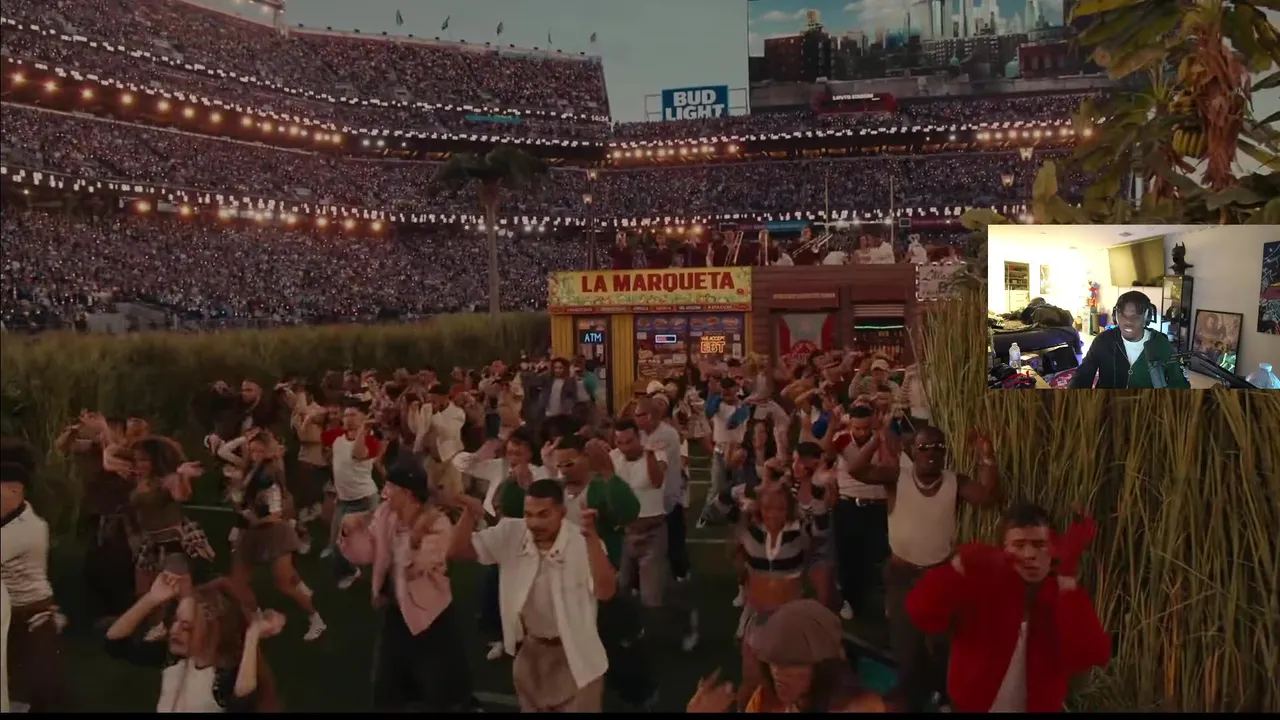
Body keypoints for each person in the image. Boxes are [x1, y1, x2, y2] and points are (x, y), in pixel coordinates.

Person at [906, 503, 1112, 712]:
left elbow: (1089, 656)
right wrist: (958, 566)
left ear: (1053, 550)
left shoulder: (1061, 597)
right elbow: (922, 614)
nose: (1030, 554)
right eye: (1019, 545)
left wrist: (1067, 580)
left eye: (1040, 545)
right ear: (1002, 550)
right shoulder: (981, 587)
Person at [852, 425, 1001, 711]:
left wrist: (986, 456)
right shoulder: (897, 478)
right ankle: (911, 697)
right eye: (924, 448)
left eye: (938, 448)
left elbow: (986, 498)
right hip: (902, 575)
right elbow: (857, 470)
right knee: (905, 644)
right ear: (913, 451)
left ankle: (941, 695)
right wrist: (875, 439)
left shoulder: (954, 482)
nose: (931, 453)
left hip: (937, 577)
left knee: (941, 644)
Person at [448, 479, 615, 712]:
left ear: (562, 512)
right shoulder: (511, 533)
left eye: (544, 514)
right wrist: (469, 513)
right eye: (529, 514)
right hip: (531, 652)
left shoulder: (582, 542)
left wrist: (592, 541)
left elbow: (605, 592)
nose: (535, 523)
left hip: (578, 657)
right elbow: (457, 551)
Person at [338, 459, 474, 711]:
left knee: (439, 685)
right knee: (386, 683)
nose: (384, 493)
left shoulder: (437, 524)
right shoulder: (385, 515)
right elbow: (366, 554)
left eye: (390, 487)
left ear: (407, 492)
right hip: (396, 611)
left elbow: (416, 566)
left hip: (430, 615)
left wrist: (408, 538)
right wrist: (351, 531)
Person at [105, 572, 284, 712]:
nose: (174, 630)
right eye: (175, 621)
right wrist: (152, 598)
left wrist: (252, 636)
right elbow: (115, 643)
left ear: (212, 631)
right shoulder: (174, 659)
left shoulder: (223, 678)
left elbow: (242, 700)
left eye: (186, 627)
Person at [688, 599, 887, 713]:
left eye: (792, 662)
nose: (778, 672)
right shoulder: (766, 700)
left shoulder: (860, 708)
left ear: (823, 665)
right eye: (774, 661)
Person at [227, 431, 326, 641]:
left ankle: (316, 618)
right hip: (251, 532)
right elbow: (224, 453)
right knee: (239, 582)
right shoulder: (251, 469)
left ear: (268, 451)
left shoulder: (269, 475)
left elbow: (275, 514)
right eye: (252, 450)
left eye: (259, 450)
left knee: (283, 583)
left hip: (274, 533)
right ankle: (258, 620)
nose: (255, 454)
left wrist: (253, 518)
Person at [1, 437, 66, 712]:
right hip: (14, 619)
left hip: (28, 622)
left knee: (25, 700)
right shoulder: (13, 517)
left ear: (15, 489)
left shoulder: (26, 528)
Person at [1069, 290, 1190, 389]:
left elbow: (1179, 383)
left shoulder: (1161, 344)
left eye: (1135, 317)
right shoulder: (1103, 340)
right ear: (1116, 316)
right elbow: (1082, 375)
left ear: (1147, 317)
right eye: (1123, 315)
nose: (1128, 322)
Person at [320, 399, 382, 589]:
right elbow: (312, 433)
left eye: (353, 414)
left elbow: (357, 453)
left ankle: (382, 578)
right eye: (346, 415)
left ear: (364, 417)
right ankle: (350, 571)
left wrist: (363, 430)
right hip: (344, 501)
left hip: (365, 500)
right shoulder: (337, 436)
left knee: (373, 543)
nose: (348, 418)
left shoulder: (371, 441)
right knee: (336, 543)